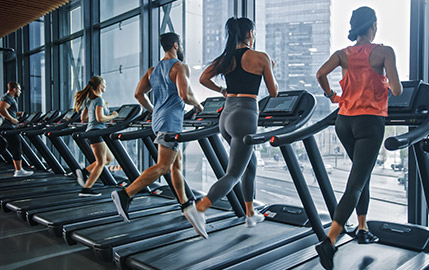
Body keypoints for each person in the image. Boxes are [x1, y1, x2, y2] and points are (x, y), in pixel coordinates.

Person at [314, 7, 402, 270]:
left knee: (361, 176)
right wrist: (384, 82)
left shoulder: (343, 54)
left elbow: (320, 75)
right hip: (369, 123)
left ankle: (362, 228)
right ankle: (328, 241)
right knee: (355, 183)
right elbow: (397, 90)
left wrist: (331, 95)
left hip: (344, 121)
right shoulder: (384, 52)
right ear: (373, 25)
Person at [188, 17, 278, 238]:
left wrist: (222, 90)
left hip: (226, 116)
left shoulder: (226, 58)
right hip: (245, 115)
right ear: (249, 33)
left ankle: (250, 213)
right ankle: (199, 209)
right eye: (253, 32)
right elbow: (273, 92)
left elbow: (203, 78)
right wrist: (270, 68)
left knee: (250, 164)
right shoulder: (260, 57)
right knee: (234, 173)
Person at [111, 32, 204, 228]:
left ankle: (185, 203)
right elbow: (184, 94)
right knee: (163, 166)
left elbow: (138, 94)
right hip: (171, 122)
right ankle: (125, 194)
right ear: (176, 45)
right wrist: (198, 105)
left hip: (159, 121)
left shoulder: (152, 71)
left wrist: (153, 110)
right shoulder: (179, 67)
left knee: (175, 165)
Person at [73, 76, 118, 197]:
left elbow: (83, 118)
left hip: (92, 131)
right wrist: (113, 116)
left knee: (109, 159)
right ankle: (86, 189)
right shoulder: (98, 100)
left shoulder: (90, 101)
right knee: (101, 162)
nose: (105, 86)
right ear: (99, 86)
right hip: (96, 132)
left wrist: (96, 119)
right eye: (104, 84)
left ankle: (84, 172)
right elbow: (100, 118)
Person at [0, 81, 33, 177]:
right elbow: (2, 109)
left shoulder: (7, 97)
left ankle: (19, 170)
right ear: (14, 89)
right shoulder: (8, 98)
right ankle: (19, 170)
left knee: (3, 147)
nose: (20, 92)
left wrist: (16, 113)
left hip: (5, 127)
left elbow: (6, 109)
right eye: (19, 89)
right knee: (16, 146)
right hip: (8, 127)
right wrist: (12, 119)